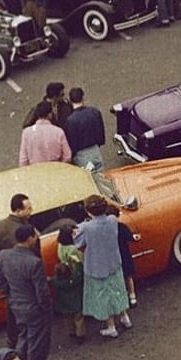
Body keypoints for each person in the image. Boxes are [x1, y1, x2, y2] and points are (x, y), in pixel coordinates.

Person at [0, 224, 54, 360]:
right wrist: (46, 309)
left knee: (23, 339)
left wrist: (13, 297)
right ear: (29, 239)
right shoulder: (34, 262)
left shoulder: (4, 255)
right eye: (35, 235)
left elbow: (0, 282)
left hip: (17, 306)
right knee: (37, 346)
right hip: (35, 310)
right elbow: (42, 292)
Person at [75, 194, 133, 338]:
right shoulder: (112, 220)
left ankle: (111, 326)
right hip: (114, 262)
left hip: (96, 266)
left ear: (88, 211)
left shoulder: (85, 227)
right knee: (118, 290)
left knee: (103, 297)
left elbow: (78, 243)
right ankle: (125, 317)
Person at [0, 194, 38, 348]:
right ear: (18, 211)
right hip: (25, 277)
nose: (31, 211)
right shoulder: (24, 231)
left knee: (12, 313)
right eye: (28, 209)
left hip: (9, 277)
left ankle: (12, 342)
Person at [52, 224, 86, 343]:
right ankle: (80, 335)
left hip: (64, 294)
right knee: (78, 317)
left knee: (67, 317)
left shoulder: (60, 246)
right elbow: (81, 264)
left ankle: (71, 332)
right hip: (74, 283)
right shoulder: (73, 250)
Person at [63, 87, 105, 173]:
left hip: (81, 155)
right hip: (95, 150)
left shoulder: (70, 120)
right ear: (83, 98)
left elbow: (72, 143)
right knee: (100, 175)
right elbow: (101, 135)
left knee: (86, 177)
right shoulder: (95, 112)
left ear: (70, 101)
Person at [19, 101, 72, 166]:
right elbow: (67, 156)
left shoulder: (27, 133)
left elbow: (23, 160)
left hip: (35, 169)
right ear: (50, 115)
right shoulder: (59, 132)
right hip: (55, 169)